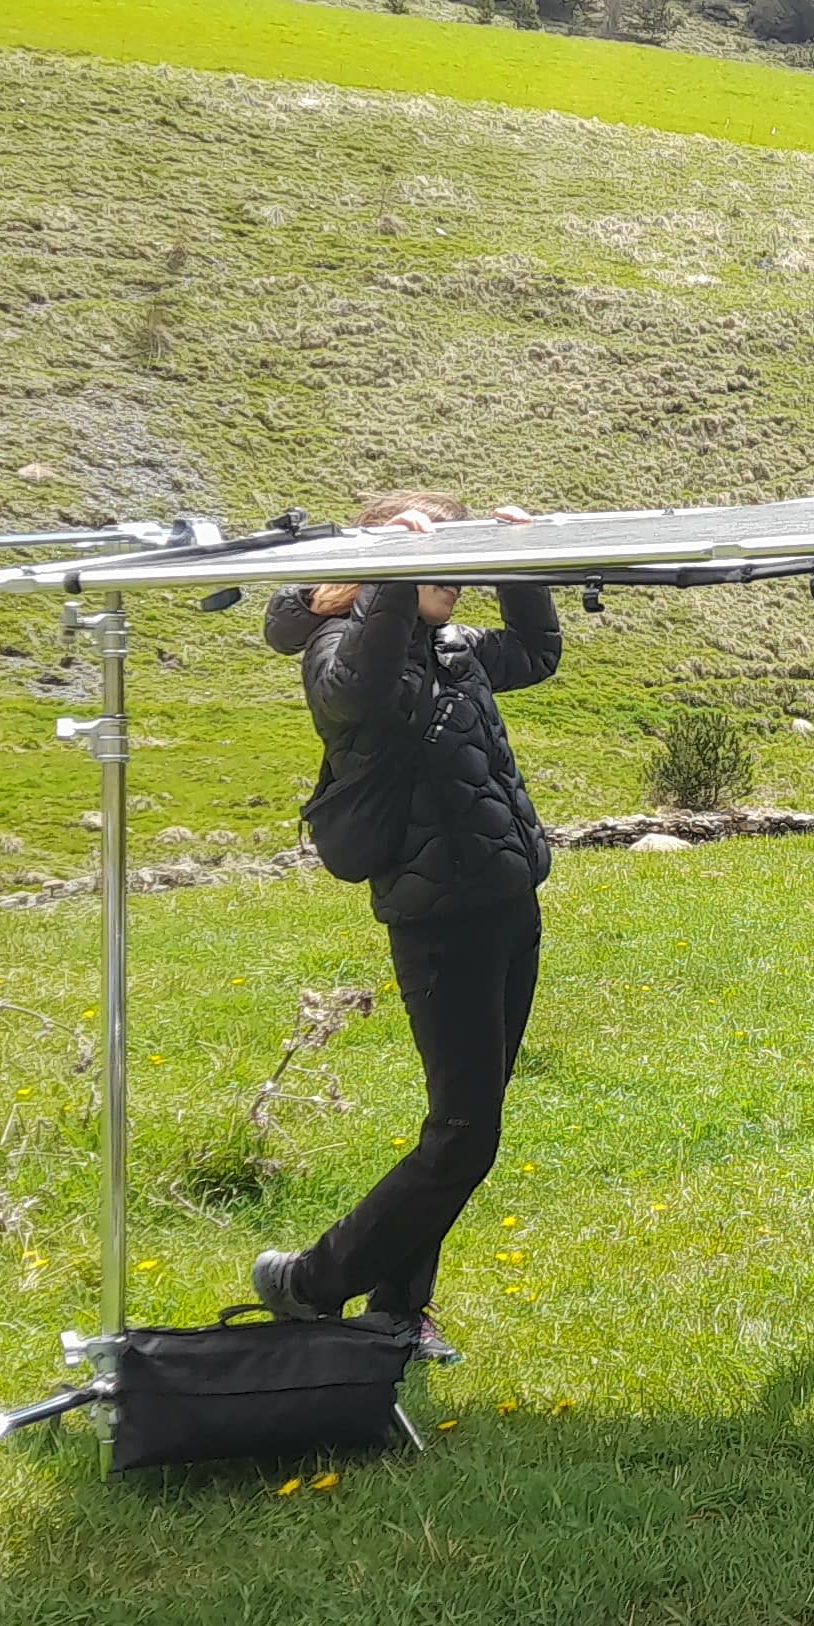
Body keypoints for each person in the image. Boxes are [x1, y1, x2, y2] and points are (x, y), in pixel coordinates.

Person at [251, 491, 562, 1364]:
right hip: (438, 923)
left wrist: (516, 560)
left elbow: (538, 653)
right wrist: (387, 571)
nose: (452, 582)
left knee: (466, 1129)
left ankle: (394, 1309)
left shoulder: (454, 648)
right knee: (465, 1135)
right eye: (437, 562)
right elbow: (366, 693)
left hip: (509, 906)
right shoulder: (337, 651)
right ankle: (309, 1282)